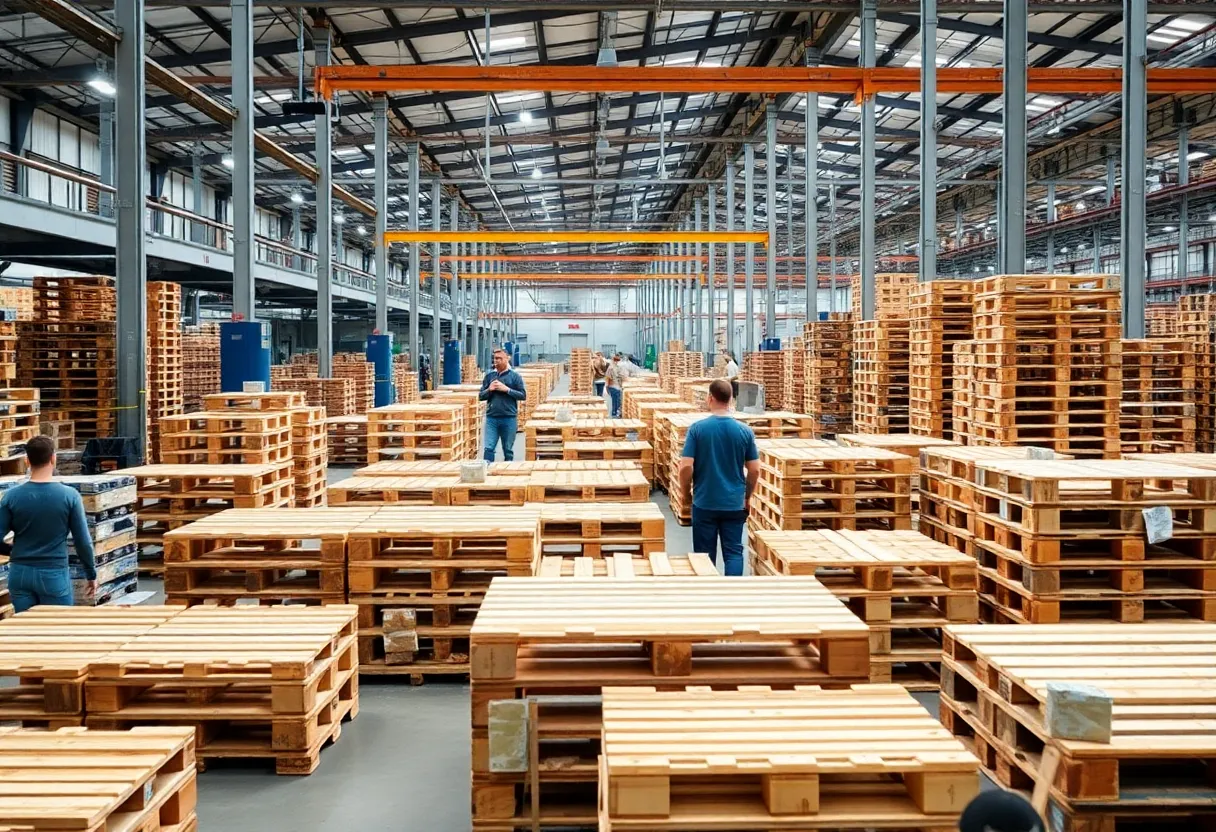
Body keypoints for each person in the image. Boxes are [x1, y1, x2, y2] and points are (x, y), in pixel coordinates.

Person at [0, 435, 96, 611]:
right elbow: (83, 542)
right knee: (57, 630)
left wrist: (12, 550)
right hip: (53, 574)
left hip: (20, 574)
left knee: (25, 631)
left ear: (27, 461)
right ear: (54, 458)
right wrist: (91, 573)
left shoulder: (11, 497)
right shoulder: (69, 496)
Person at [678, 379, 759, 576]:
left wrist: (686, 494)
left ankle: (708, 599)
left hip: (704, 502)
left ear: (710, 398)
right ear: (731, 399)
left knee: (704, 556)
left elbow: (686, 467)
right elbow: (755, 469)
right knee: (733, 553)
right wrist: (747, 497)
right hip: (734, 503)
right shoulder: (744, 431)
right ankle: (733, 598)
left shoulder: (697, 430)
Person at [479, 348, 527, 462]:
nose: (497, 361)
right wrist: (489, 390)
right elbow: (481, 396)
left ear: (507, 359)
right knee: (489, 448)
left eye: (500, 358)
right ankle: (487, 471)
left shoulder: (515, 377)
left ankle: (507, 471)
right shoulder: (489, 377)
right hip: (492, 418)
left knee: (507, 449)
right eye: (495, 358)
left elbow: (523, 395)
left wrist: (507, 390)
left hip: (509, 418)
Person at [604, 352, 630, 418]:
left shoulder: (618, 367)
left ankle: (615, 413)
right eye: (617, 360)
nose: (618, 362)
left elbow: (622, 376)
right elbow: (608, 378)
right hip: (613, 387)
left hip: (616, 387)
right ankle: (614, 413)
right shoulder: (611, 368)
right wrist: (607, 387)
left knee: (617, 401)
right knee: (616, 401)